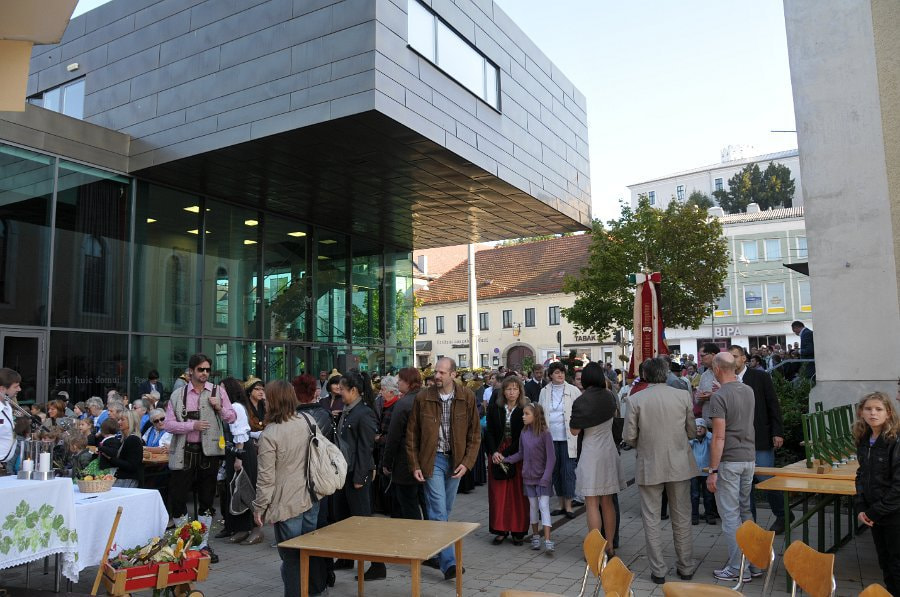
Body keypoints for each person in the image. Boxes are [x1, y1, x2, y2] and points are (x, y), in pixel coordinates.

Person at [623, 356, 698, 584]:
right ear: (666, 373)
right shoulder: (682, 396)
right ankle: (686, 567)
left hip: (649, 463)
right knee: (682, 516)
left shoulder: (635, 399)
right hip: (679, 463)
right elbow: (692, 431)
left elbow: (629, 436)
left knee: (651, 518)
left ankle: (658, 571)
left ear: (645, 375)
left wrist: (645, 444)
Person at [406, 357, 481, 581]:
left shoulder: (466, 396)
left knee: (444, 511)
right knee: (438, 511)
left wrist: (467, 462)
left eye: (441, 373)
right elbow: (412, 434)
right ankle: (449, 564)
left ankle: (435, 549)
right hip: (433, 460)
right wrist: (415, 464)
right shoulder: (423, 397)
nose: (436, 376)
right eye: (436, 372)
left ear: (453, 375)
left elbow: (475, 434)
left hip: (456, 461)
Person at [164, 353, 236, 563]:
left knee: (206, 498)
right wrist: (191, 426)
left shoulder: (218, 391)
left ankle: (202, 543)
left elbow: (232, 417)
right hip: (183, 451)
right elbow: (168, 424)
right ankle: (184, 541)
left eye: (207, 370)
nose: (205, 373)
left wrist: (219, 407)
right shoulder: (178, 395)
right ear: (191, 371)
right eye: (200, 369)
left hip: (209, 452)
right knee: (178, 498)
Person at [252, 380, 321, 597]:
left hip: (287, 503)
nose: (264, 400)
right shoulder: (308, 420)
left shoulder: (270, 434)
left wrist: (259, 507)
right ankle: (315, 591)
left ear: (274, 401)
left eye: (267, 397)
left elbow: (266, 478)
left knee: (292, 559)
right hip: (312, 496)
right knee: (309, 552)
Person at [706, 352, 757, 583]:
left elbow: (719, 437)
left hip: (729, 460)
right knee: (746, 512)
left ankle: (738, 567)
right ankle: (753, 564)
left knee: (730, 516)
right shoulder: (748, 390)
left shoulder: (719, 397)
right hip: (748, 458)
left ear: (717, 369)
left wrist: (712, 470)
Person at [727, 345, 787, 533]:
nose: (732, 360)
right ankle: (750, 524)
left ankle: (783, 515)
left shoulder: (760, 377)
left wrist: (777, 431)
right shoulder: (726, 380)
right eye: (729, 357)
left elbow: (773, 404)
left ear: (744, 358)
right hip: (737, 442)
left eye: (735, 356)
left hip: (760, 438)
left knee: (766, 478)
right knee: (744, 485)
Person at [569, 362, 624, 556]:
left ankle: (596, 550)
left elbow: (574, 431)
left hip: (591, 452)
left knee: (591, 503)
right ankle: (610, 546)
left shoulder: (581, 401)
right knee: (608, 502)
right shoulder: (609, 397)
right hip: (609, 451)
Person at [333, 370, 382, 581]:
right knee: (343, 517)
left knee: (363, 521)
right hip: (345, 472)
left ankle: (378, 564)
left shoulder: (364, 413)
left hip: (356, 474)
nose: (339, 393)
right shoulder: (348, 410)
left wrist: (360, 478)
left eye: (342, 389)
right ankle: (346, 557)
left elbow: (365, 448)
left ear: (353, 390)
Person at [854, 391, 900, 595]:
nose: (873, 413)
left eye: (879, 409)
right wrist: (861, 506)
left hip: (894, 514)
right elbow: (861, 474)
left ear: (888, 413)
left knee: (897, 564)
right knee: (885, 562)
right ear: (861, 412)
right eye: (868, 409)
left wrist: (874, 512)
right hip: (874, 514)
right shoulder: (864, 439)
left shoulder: (895, 441)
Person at [503, 403, 556, 552]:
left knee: (543, 506)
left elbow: (551, 458)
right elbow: (521, 453)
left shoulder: (545, 433)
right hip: (528, 476)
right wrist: (506, 459)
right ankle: (535, 536)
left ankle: (548, 539)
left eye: (527, 414)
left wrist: (546, 477)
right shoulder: (524, 433)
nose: (523, 416)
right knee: (533, 506)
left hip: (542, 477)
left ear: (536, 415)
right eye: (523, 413)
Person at [484, 375, 529, 545]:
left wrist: (507, 454)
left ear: (520, 391)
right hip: (497, 452)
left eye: (515, 389)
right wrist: (494, 452)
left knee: (517, 493)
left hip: (517, 453)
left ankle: (518, 530)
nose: (512, 392)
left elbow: (523, 435)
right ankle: (500, 529)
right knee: (498, 493)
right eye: (509, 389)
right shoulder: (495, 408)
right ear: (503, 391)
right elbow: (489, 432)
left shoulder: (524, 409)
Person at [218, 377, 261, 545]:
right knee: (235, 488)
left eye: (223, 388)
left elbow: (240, 433)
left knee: (244, 488)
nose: (220, 391)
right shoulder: (230, 407)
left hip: (241, 451)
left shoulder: (236, 407)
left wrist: (239, 457)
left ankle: (252, 528)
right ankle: (238, 527)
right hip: (235, 451)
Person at [538, 361, 581, 519]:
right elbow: (540, 413)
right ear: (550, 375)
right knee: (555, 471)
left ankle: (569, 505)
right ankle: (560, 503)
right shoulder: (544, 391)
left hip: (568, 437)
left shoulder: (573, 390)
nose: (560, 375)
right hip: (550, 438)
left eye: (562, 372)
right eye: (557, 372)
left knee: (568, 471)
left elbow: (580, 411)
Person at [382, 367, 425, 520]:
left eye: (400, 380)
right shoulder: (427, 399)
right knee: (426, 502)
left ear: (408, 382)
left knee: (408, 502)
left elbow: (393, 436)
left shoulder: (403, 403)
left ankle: (414, 532)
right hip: (426, 458)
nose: (398, 383)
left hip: (405, 460)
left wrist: (386, 462)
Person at [98, 412, 144, 488]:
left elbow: (132, 466)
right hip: (123, 478)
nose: (119, 422)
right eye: (119, 419)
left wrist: (110, 458)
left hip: (128, 480)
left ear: (131, 422)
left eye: (122, 420)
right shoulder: (124, 439)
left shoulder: (133, 439)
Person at [689, 418, 716, 525]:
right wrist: (692, 436)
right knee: (694, 495)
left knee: (708, 496)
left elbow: (714, 440)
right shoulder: (692, 441)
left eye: (701, 427)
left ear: (706, 429)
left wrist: (708, 432)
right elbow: (687, 445)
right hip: (694, 472)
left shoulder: (708, 440)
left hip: (706, 472)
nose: (699, 429)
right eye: (696, 427)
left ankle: (709, 515)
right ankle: (694, 516)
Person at [0, 368, 22, 472]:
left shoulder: (8, 406)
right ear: (2, 389)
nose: (19, 389)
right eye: (16, 386)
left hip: (5, 465)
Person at [695, 343, 721, 423]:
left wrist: (713, 396)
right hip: (707, 423)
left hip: (725, 422)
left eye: (702, 356)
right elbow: (697, 401)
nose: (700, 359)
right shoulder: (704, 375)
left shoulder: (728, 372)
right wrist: (700, 397)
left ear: (713, 355)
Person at [243, 377, 267, 442]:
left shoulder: (265, 405)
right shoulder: (244, 407)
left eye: (262, 389)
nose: (261, 392)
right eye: (257, 389)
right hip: (248, 441)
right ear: (249, 391)